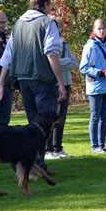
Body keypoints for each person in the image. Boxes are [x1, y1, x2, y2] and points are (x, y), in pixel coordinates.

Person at [0, 0, 66, 175]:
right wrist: (60, 81)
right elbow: (51, 52)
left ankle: (33, 163)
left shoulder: (17, 24)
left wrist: (1, 82)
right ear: (44, 5)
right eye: (49, 4)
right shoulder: (47, 23)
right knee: (44, 123)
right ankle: (38, 164)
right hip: (42, 78)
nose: (50, 8)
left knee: (33, 124)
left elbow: (8, 55)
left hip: (22, 80)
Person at [79, 19, 106, 153]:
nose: (101, 31)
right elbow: (83, 67)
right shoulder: (90, 46)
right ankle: (95, 146)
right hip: (95, 86)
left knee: (104, 117)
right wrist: (101, 72)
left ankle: (102, 145)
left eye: (103, 28)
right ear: (94, 30)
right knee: (95, 116)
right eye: (98, 29)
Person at [45, 16, 78, 160]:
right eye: (55, 26)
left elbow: (74, 63)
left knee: (61, 116)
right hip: (53, 84)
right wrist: (59, 63)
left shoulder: (65, 44)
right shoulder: (47, 43)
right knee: (50, 116)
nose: (58, 29)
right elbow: (49, 62)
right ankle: (47, 149)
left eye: (59, 26)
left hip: (66, 82)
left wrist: (59, 62)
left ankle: (58, 148)